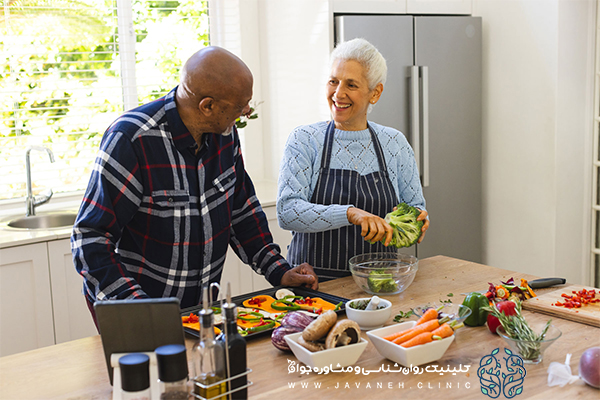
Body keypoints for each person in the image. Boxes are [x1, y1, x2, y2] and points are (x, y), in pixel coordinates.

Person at [72, 46, 318, 324]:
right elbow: (90, 236)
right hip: (137, 308)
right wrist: (140, 308)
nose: (246, 111)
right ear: (208, 106)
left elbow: (241, 211)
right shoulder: (132, 139)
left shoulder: (224, 133)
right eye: (240, 106)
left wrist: (278, 270)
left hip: (197, 311)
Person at [276, 38, 429, 280]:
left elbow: (415, 205)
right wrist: (349, 213)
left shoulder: (394, 143)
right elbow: (288, 212)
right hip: (314, 285)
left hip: (379, 284)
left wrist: (417, 219)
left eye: (351, 85)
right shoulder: (305, 139)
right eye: (333, 81)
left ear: (375, 93)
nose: (338, 93)